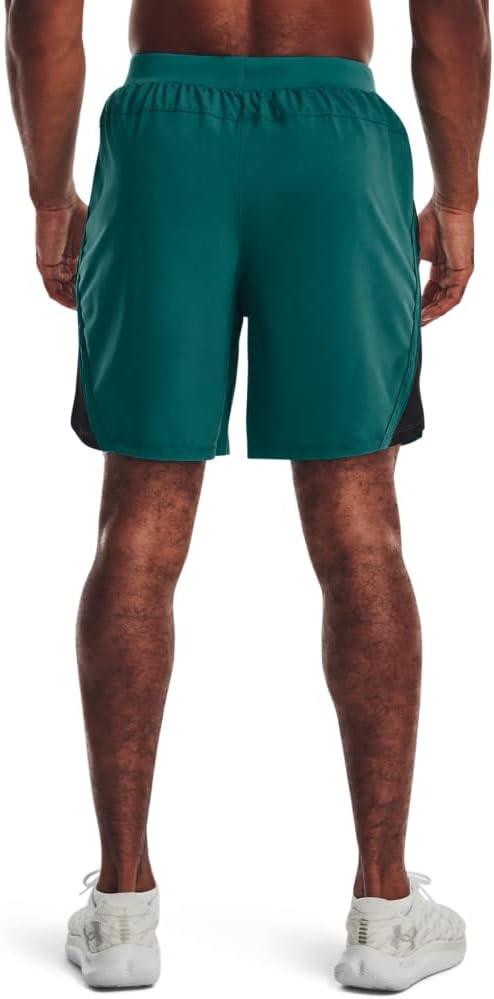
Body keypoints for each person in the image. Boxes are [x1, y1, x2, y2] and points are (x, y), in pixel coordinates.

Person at [5, 0, 490, 991]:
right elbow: (450, 17)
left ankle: (122, 911)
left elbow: (42, 16)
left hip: (162, 143)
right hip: (334, 141)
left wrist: (51, 195)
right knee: (360, 524)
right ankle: (385, 910)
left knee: (138, 522)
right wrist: (457, 197)